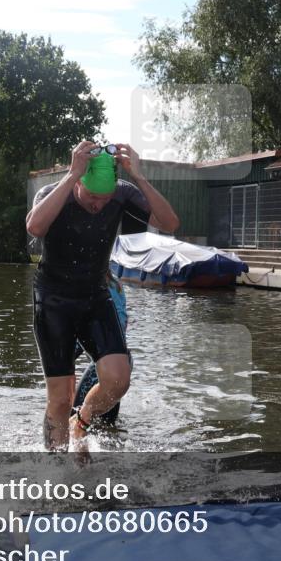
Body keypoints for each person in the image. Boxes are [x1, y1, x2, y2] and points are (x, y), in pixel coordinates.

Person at [26, 141, 179, 452]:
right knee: (60, 397)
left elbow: (170, 224)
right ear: (80, 181)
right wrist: (71, 176)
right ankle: (55, 469)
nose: (98, 204)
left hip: (95, 295)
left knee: (119, 380)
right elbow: (35, 226)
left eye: (104, 198)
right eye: (92, 196)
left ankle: (80, 421)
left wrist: (140, 177)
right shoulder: (57, 191)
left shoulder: (124, 193)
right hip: (54, 299)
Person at [71, 270, 128, 426]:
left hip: (102, 371)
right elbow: (123, 323)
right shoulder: (116, 283)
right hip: (123, 364)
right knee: (108, 427)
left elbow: (84, 335)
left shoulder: (89, 286)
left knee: (72, 417)